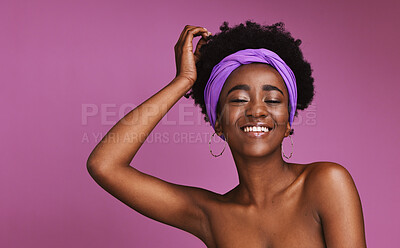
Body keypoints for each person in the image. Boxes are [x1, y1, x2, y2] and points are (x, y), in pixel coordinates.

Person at [87, 21, 367, 247]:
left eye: (272, 100)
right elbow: (105, 165)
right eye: (239, 99)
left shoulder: (327, 183)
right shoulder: (210, 215)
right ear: (218, 123)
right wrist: (182, 81)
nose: (257, 110)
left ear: (289, 122)